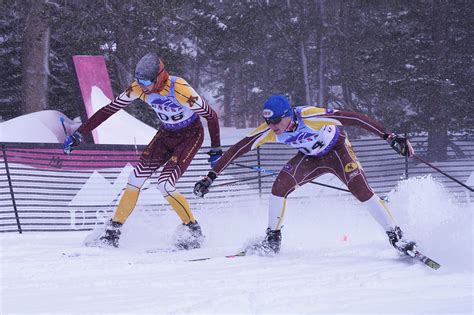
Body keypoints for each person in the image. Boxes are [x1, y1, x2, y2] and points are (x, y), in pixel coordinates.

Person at [194, 94, 416, 256]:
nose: (272, 127)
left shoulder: (309, 116)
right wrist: (211, 176)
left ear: (288, 115)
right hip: (310, 159)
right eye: (268, 122)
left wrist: (390, 137)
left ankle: (396, 235)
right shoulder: (270, 129)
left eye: (275, 122)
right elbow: (239, 148)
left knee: (361, 190)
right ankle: (273, 239)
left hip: (337, 150)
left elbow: (354, 118)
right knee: (279, 187)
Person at [64, 52, 222, 249]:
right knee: (134, 178)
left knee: (165, 185)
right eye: (139, 81)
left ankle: (193, 230)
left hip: (190, 135)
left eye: (146, 81)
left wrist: (216, 149)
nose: (143, 86)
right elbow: (109, 109)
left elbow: (211, 116)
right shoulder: (138, 88)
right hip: (166, 134)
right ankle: (113, 232)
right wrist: (80, 133)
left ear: (159, 76)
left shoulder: (180, 89)